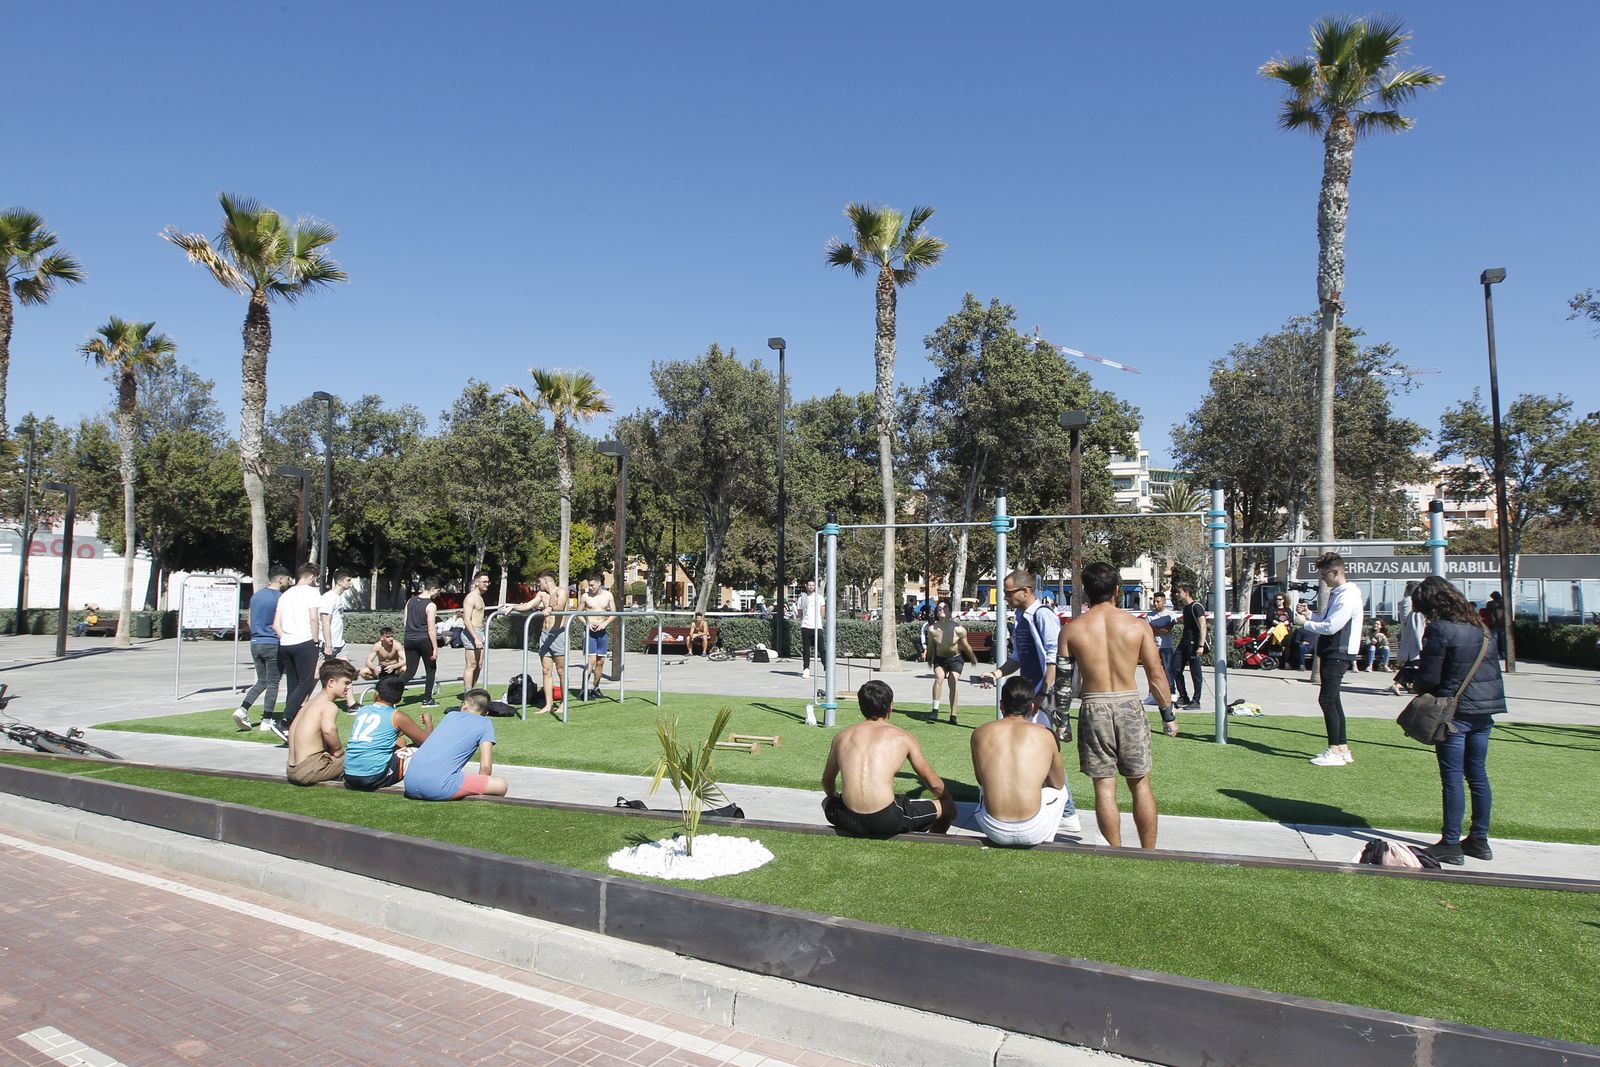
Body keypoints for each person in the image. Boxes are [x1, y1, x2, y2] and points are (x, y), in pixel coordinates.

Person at [1063, 562, 1174, 849]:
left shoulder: (1072, 630)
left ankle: (1116, 852)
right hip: (1129, 704)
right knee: (1140, 784)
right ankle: (1149, 852)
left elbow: (1062, 683)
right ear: (1117, 590)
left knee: (1104, 786)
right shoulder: (1137, 626)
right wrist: (1167, 714)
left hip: (1094, 706)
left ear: (1085, 592)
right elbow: (1156, 674)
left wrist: (1061, 720)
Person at [1411, 575, 1505, 865]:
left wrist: (1411, 678)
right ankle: (1479, 839)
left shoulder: (1439, 629)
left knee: (1452, 778)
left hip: (1455, 713)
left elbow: (1429, 678)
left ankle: (1450, 843)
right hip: (1484, 712)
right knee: (1477, 775)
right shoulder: (1480, 627)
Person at [979, 570, 1080, 834]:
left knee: (1047, 750)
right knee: (1036, 749)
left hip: (1041, 697)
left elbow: (1054, 660)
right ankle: (1059, 808)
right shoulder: (1022, 617)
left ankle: (1068, 812)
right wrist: (996, 674)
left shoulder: (1042, 615)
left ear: (1026, 590)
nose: (1005, 597)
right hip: (1030, 695)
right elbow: (1018, 658)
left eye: (1009, 592)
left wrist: (1040, 696)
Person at [820, 680, 955, 837]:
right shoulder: (903, 737)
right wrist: (947, 799)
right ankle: (936, 840)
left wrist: (836, 798)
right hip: (887, 820)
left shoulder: (842, 737)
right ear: (890, 706)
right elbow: (935, 785)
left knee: (826, 802)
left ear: (861, 706)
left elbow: (827, 782)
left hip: (847, 818)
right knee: (948, 806)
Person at [970, 677, 1069, 847]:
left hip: (993, 829)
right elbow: (1058, 784)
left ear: (1002, 705)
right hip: (1034, 830)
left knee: (985, 786)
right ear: (1031, 707)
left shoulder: (980, 733)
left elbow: (981, 780)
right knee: (1062, 792)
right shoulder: (1045, 734)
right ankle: (1046, 840)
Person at [1296, 552, 1364, 767]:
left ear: (1336, 572)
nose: (1323, 579)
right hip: (1333, 651)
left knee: (1327, 700)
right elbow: (1327, 620)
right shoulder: (1340, 593)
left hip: (1338, 652)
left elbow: (1332, 626)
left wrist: (1304, 623)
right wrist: (1311, 615)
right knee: (1333, 699)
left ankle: (1335, 749)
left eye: (1325, 574)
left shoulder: (1347, 596)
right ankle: (1342, 748)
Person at [402, 688, 509, 801]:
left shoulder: (450, 716)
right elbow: (486, 767)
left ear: (465, 704)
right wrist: (482, 785)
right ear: (486, 713)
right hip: (437, 787)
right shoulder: (485, 723)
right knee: (501, 784)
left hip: (410, 784)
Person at [343, 674, 432, 792]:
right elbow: (428, 742)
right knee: (418, 749)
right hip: (374, 777)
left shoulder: (363, 710)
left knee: (401, 742)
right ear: (399, 698)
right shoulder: (397, 716)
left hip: (349, 775)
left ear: (376, 693)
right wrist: (429, 723)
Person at [238, 567, 292, 733]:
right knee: (273, 683)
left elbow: (249, 621)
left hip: (255, 642)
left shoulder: (256, 596)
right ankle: (266, 719)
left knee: (261, 681)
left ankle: (243, 709)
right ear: (281, 579)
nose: (289, 582)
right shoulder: (281, 598)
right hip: (272, 643)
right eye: (288, 579)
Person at [285, 659, 355, 786]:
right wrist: (338, 750)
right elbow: (329, 730)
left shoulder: (310, 703)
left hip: (292, 769)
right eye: (346, 682)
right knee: (358, 756)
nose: (348, 687)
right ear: (331, 683)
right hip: (309, 769)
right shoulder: (328, 705)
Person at [274, 565, 323, 730]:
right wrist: (315, 639)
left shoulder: (286, 594)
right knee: (305, 683)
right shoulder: (312, 593)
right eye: (316, 578)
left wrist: (285, 637)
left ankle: (291, 723)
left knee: (293, 685)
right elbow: (314, 618)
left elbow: (276, 624)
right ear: (311, 577)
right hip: (305, 641)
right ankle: (285, 720)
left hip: (286, 643)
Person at [924, 603, 975, 723]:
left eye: (945, 607)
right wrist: (929, 658)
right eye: (939, 608)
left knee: (952, 681)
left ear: (950, 612)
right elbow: (931, 646)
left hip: (955, 659)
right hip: (940, 658)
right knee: (938, 677)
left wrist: (972, 658)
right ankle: (935, 710)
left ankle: (953, 714)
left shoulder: (959, 629)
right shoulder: (932, 629)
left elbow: (966, 645)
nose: (941, 609)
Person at [529, 570, 568, 716]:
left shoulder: (560, 592)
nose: (539, 584)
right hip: (545, 635)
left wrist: (550, 608)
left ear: (546, 580)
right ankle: (548, 704)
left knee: (561, 671)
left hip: (558, 634)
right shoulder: (541, 595)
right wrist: (511, 606)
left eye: (540, 581)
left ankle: (564, 703)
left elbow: (560, 605)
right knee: (546, 671)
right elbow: (529, 605)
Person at [401, 576, 442, 709]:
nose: (438, 594)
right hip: (424, 639)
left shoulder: (410, 601)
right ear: (433, 588)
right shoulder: (431, 605)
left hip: (409, 638)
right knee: (431, 670)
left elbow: (404, 621)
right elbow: (431, 628)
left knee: (410, 671)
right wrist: (435, 648)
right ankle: (427, 699)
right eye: (438, 591)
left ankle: (388, 691)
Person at [580, 575, 616, 700]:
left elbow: (614, 613)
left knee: (600, 661)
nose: (590, 588)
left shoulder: (608, 595)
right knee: (591, 661)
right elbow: (578, 614)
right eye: (589, 585)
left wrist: (605, 623)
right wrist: (587, 624)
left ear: (599, 583)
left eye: (592, 585)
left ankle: (596, 688)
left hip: (602, 631)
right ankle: (583, 689)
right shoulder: (585, 596)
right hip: (590, 632)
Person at [1171, 584, 1207, 709]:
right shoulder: (1186, 608)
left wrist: (1201, 645)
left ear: (1186, 592)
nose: (1177, 594)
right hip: (1184, 642)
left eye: (1179, 591)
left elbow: (1203, 625)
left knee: (1195, 672)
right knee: (1175, 668)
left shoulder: (1196, 606)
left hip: (1194, 643)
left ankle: (1196, 700)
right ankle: (1183, 696)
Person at [1392, 580, 1426, 696]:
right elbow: (1407, 619)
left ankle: (1407, 683)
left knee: (1413, 662)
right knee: (1413, 662)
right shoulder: (1409, 602)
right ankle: (1399, 683)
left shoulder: (1409, 602)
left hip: (1411, 634)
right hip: (1412, 634)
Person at [1144, 592, 1178, 706]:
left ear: (1164, 602)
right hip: (1153, 648)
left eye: (1158, 601)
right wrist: (1154, 627)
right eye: (1154, 601)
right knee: (1153, 671)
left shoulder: (1170, 614)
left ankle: (1172, 694)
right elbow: (1147, 631)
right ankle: (1152, 694)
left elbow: (1167, 630)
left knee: (1168, 672)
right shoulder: (1149, 615)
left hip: (1166, 647)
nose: (1155, 603)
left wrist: (1153, 626)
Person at [461, 570, 491, 691]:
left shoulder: (480, 598)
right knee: (471, 665)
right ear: (476, 582)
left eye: (488, 582)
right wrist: (475, 638)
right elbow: (466, 620)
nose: (486, 584)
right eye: (484, 582)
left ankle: (473, 690)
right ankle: (468, 694)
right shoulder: (471, 597)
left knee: (479, 665)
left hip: (480, 632)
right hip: (471, 633)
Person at [318, 570, 354, 663]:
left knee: (345, 671)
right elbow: (325, 622)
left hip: (340, 644)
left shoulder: (338, 598)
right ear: (339, 582)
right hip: (328, 644)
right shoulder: (329, 598)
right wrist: (328, 645)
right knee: (318, 674)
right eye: (348, 580)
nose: (351, 582)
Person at [1485, 591, 1507, 664]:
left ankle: (1498, 654)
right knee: (1502, 640)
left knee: (1495, 640)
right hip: (1501, 624)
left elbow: (1487, 612)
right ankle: (1503, 654)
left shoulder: (1490, 604)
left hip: (1495, 624)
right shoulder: (1504, 602)